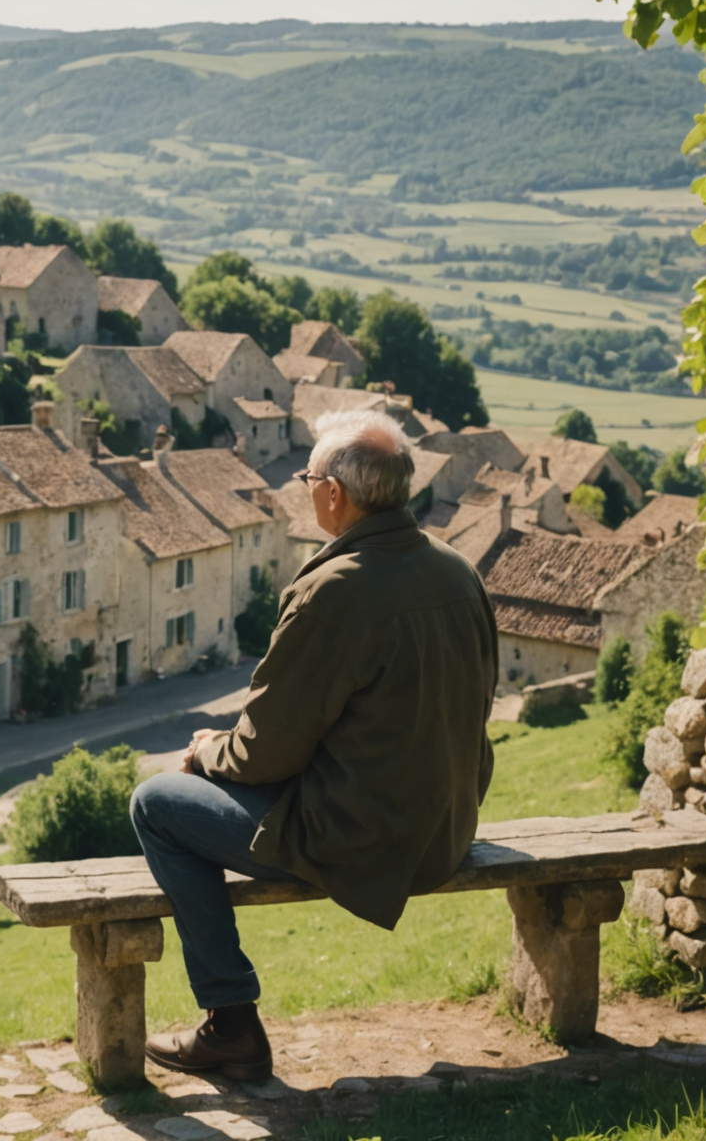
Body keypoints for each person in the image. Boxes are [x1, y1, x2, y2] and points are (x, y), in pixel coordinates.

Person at [131, 410, 498, 1080]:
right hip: (445, 829)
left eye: (308, 477)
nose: (305, 487)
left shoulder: (335, 589)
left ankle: (231, 1022)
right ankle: (229, 1022)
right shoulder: (458, 570)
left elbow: (267, 751)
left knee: (155, 802)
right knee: (210, 779)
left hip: (365, 843)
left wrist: (205, 752)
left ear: (334, 494)